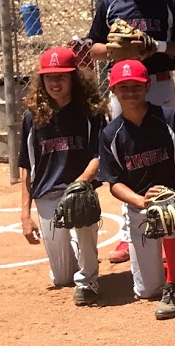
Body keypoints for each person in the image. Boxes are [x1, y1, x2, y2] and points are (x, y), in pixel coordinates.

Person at [85, 0, 175, 264]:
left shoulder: (168, 0)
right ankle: (130, 236)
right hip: (123, 88)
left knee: (168, 153)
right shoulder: (109, 2)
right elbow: (94, 48)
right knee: (127, 155)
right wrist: (115, 49)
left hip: (158, 82)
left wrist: (151, 45)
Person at [98, 60, 175, 319]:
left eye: (136, 85)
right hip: (139, 209)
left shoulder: (170, 119)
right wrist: (140, 201)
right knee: (147, 290)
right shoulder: (111, 134)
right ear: (113, 90)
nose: (130, 91)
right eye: (123, 86)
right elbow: (114, 183)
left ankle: (173, 285)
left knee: (169, 210)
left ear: (147, 86)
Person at [18, 47, 108, 305]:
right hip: (47, 194)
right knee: (62, 277)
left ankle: (89, 278)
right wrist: (25, 214)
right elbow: (26, 166)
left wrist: (81, 183)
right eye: (49, 77)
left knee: (83, 213)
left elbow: (99, 155)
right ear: (41, 80)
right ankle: (80, 258)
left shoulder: (90, 113)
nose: (54, 83)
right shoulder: (32, 118)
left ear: (74, 78)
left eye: (61, 76)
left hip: (79, 190)